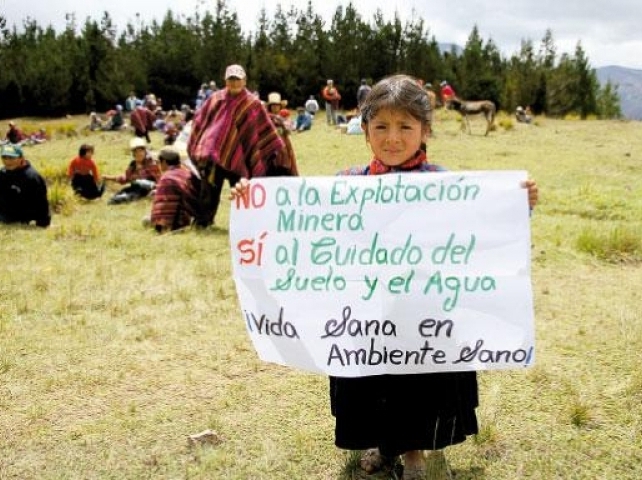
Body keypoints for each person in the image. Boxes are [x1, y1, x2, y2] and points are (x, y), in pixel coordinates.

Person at [230, 74, 539, 480]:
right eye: (381, 127)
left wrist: (518, 204)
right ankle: (380, 445)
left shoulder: (445, 184)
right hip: (364, 317)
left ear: (426, 131)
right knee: (371, 384)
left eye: (406, 127)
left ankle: (413, 453)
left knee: (418, 388)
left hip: (425, 315)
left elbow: (483, 231)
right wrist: (253, 207)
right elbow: (302, 229)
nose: (392, 138)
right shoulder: (346, 184)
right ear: (365, 132)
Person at [186, 64, 295, 227]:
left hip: (242, 157)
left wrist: (273, 148)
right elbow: (201, 120)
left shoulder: (252, 103)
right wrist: (199, 143)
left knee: (242, 192)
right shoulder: (216, 98)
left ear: (244, 81)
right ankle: (203, 222)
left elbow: (263, 128)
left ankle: (246, 225)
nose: (234, 83)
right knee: (209, 190)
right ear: (225, 80)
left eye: (238, 79)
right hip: (213, 154)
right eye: (231, 79)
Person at [148, 147, 201, 233]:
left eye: (158, 162)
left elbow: (162, 210)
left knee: (146, 221)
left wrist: (161, 224)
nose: (158, 165)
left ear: (164, 162)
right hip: (194, 216)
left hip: (179, 222)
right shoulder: (187, 172)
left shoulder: (166, 178)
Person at [0, 144, 51, 227]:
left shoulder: (32, 177)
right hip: (4, 215)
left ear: (21, 158)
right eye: (4, 157)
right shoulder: (3, 173)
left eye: (11, 158)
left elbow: (41, 203)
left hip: (22, 218)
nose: (7, 161)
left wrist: (43, 223)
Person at [103, 137, 161, 204]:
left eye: (140, 151)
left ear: (145, 151)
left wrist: (156, 190)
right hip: (136, 187)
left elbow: (159, 179)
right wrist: (107, 177)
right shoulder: (133, 165)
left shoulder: (152, 162)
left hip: (149, 188)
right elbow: (125, 179)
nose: (139, 154)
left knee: (138, 183)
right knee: (117, 196)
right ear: (133, 153)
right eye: (136, 151)